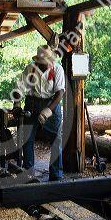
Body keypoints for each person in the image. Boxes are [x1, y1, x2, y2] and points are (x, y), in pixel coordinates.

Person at [13, 45, 65, 181]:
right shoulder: (30, 69)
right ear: (37, 61)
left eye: (47, 62)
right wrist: (16, 104)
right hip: (32, 103)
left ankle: (56, 174)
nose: (45, 65)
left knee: (56, 139)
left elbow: (60, 93)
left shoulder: (57, 69)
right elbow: (19, 88)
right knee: (27, 139)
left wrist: (48, 110)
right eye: (42, 63)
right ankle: (28, 173)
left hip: (51, 103)